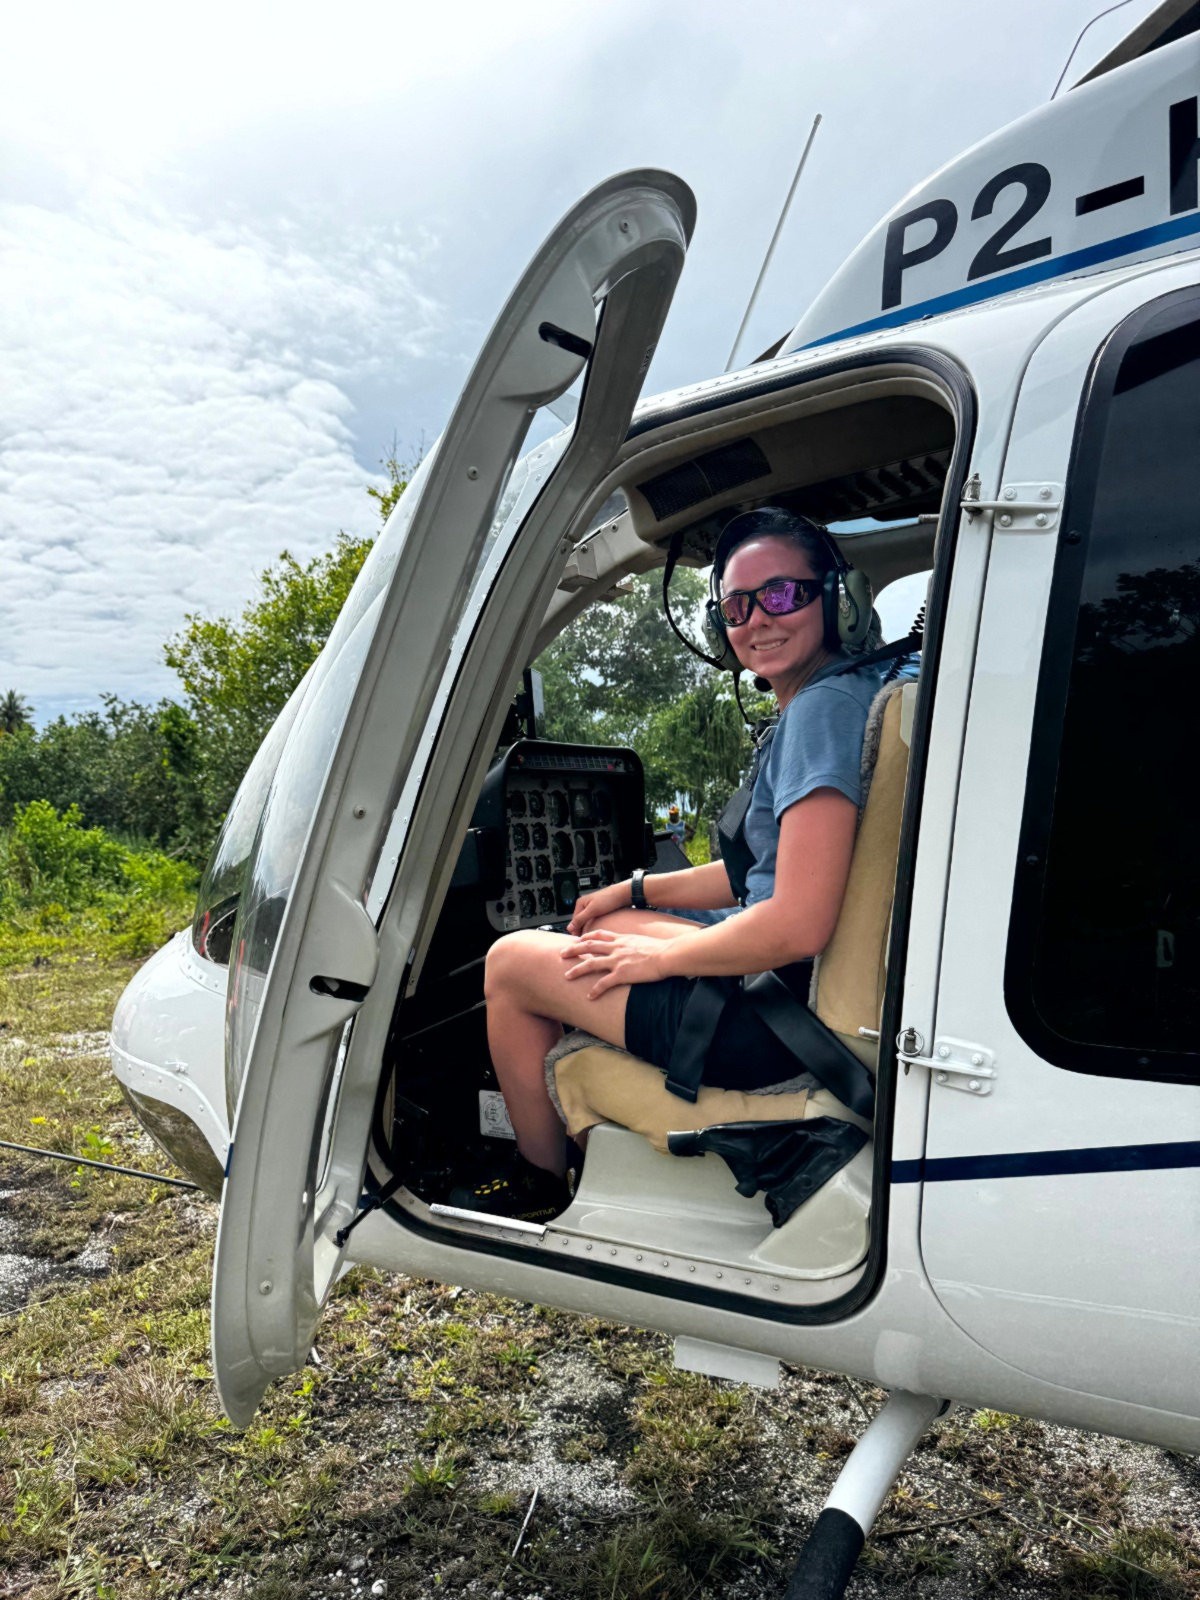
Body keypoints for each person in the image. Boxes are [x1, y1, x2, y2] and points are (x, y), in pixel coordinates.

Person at [463, 507, 890, 1220]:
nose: (757, 620)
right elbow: (761, 869)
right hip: (787, 985)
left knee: (509, 962)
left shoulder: (821, 715)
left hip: (768, 1019)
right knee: (616, 921)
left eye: (781, 594)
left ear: (836, 599)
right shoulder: (850, 693)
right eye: (735, 605)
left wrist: (658, 961)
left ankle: (542, 1183)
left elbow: (798, 920)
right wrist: (633, 888)